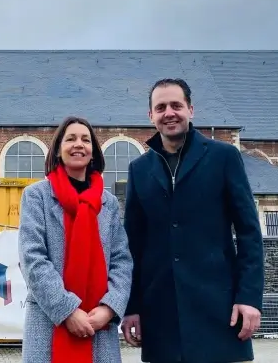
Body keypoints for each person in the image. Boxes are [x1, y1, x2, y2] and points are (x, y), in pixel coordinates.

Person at [120, 78, 265, 363]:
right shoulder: (139, 169)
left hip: (219, 308)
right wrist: (132, 306)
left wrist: (248, 297)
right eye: (160, 107)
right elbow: (132, 244)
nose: (169, 113)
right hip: (161, 312)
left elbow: (249, 233)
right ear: (151, 116)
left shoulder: (224, 157)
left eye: (176, 105)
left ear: (191, 109)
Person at [18, 116, 134, 363]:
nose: (78, 144)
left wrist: (109, 308)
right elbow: (32, 258)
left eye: (85, 139)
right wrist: (67, 310)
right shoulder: (36, 196)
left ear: (93, 152)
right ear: (59, 150)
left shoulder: (109, 203)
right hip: (49, 321)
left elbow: (122, 260)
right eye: (70, 139)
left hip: (98, 324)